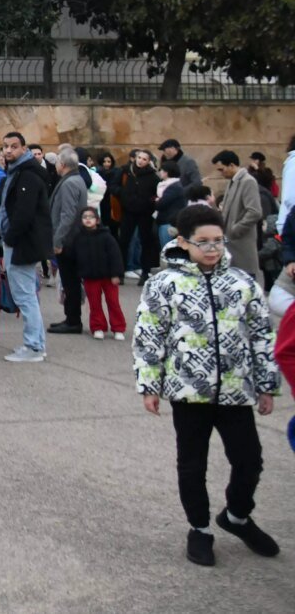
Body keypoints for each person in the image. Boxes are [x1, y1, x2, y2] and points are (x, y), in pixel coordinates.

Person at [134, 203, 280, 567]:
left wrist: (266, 385)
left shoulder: (242, 283)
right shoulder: (164, 284)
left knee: (249, 461)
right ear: (183, 242)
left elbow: (262, 336)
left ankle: (237, 516)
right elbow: (149, 336)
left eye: (218, 240)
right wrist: (149, 385)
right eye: (204, 242)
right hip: (188, 392)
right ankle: (199, 528)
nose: (213, 248)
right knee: (192, 465)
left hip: (235, 390)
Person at [0, 132, 53, 363]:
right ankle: (36, 343)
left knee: (25, 296)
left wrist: (10, 238)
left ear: (24, 149)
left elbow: (24, 213)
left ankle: (33, 346)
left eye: (14, 146)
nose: (8, 150)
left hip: (21, 243)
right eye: (5, 146)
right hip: (20, 242)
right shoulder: (18, 172)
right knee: (27, 295)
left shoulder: (27, 175)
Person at [65, 206, 127, 339]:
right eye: (85, 217)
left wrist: (116, 274)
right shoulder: (78, 238)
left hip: (108, 276)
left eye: (91, 217)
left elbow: (115, 256)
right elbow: (73, 257)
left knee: (113, 302)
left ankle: (118, 328)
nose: (88, 219)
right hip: (90, 277)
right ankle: (98, 327)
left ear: (97, 220)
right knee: (94, 304)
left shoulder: (107, 237)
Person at [48, 146, 88, 336]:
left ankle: (73, 320)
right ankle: (71, 318)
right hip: (72, 238)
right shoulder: (75, 179)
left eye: (57, 162)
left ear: (62, 164)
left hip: (69, 240)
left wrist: (58, 241)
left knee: (70, 281)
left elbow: (68, 215)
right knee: (69, 281)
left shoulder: (70, 183)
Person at [212, 150, 263, 276]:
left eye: (222, 169)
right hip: (230, 242)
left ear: (231, 165)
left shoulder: (248, 181)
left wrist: (235, 229)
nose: (221, 173)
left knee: (246, 278)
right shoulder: (233, 181)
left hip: (241, 242)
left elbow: (254, 211)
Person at [117, 149, 162, 282]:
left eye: (144, 159)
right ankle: (120, 272)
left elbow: (157, 193)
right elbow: (113, 185)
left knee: (145, 242)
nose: (140, 161)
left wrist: (149, 202)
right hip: (128, 211)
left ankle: (145, 272)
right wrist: (123, 194)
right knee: (124, 241)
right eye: (139, 158)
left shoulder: (153, 176)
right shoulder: (126, 171)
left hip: (144, 213)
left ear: (148, 161)